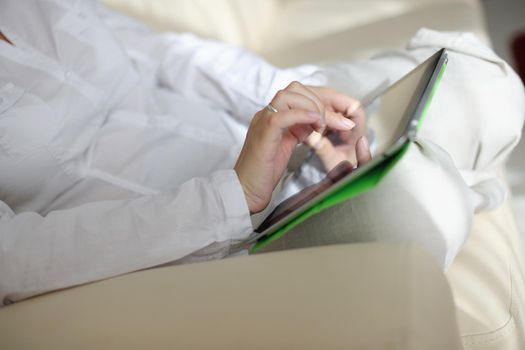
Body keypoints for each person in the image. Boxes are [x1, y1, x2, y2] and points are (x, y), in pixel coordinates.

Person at [0, 0, 523, 306]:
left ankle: (417, 174)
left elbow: (162, 54)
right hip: (208, 228)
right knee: (427, 209)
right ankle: (440, 178)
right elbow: (13, 258)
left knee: (487, 84)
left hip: (261, 131)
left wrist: (291, 100)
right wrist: (234, 196)